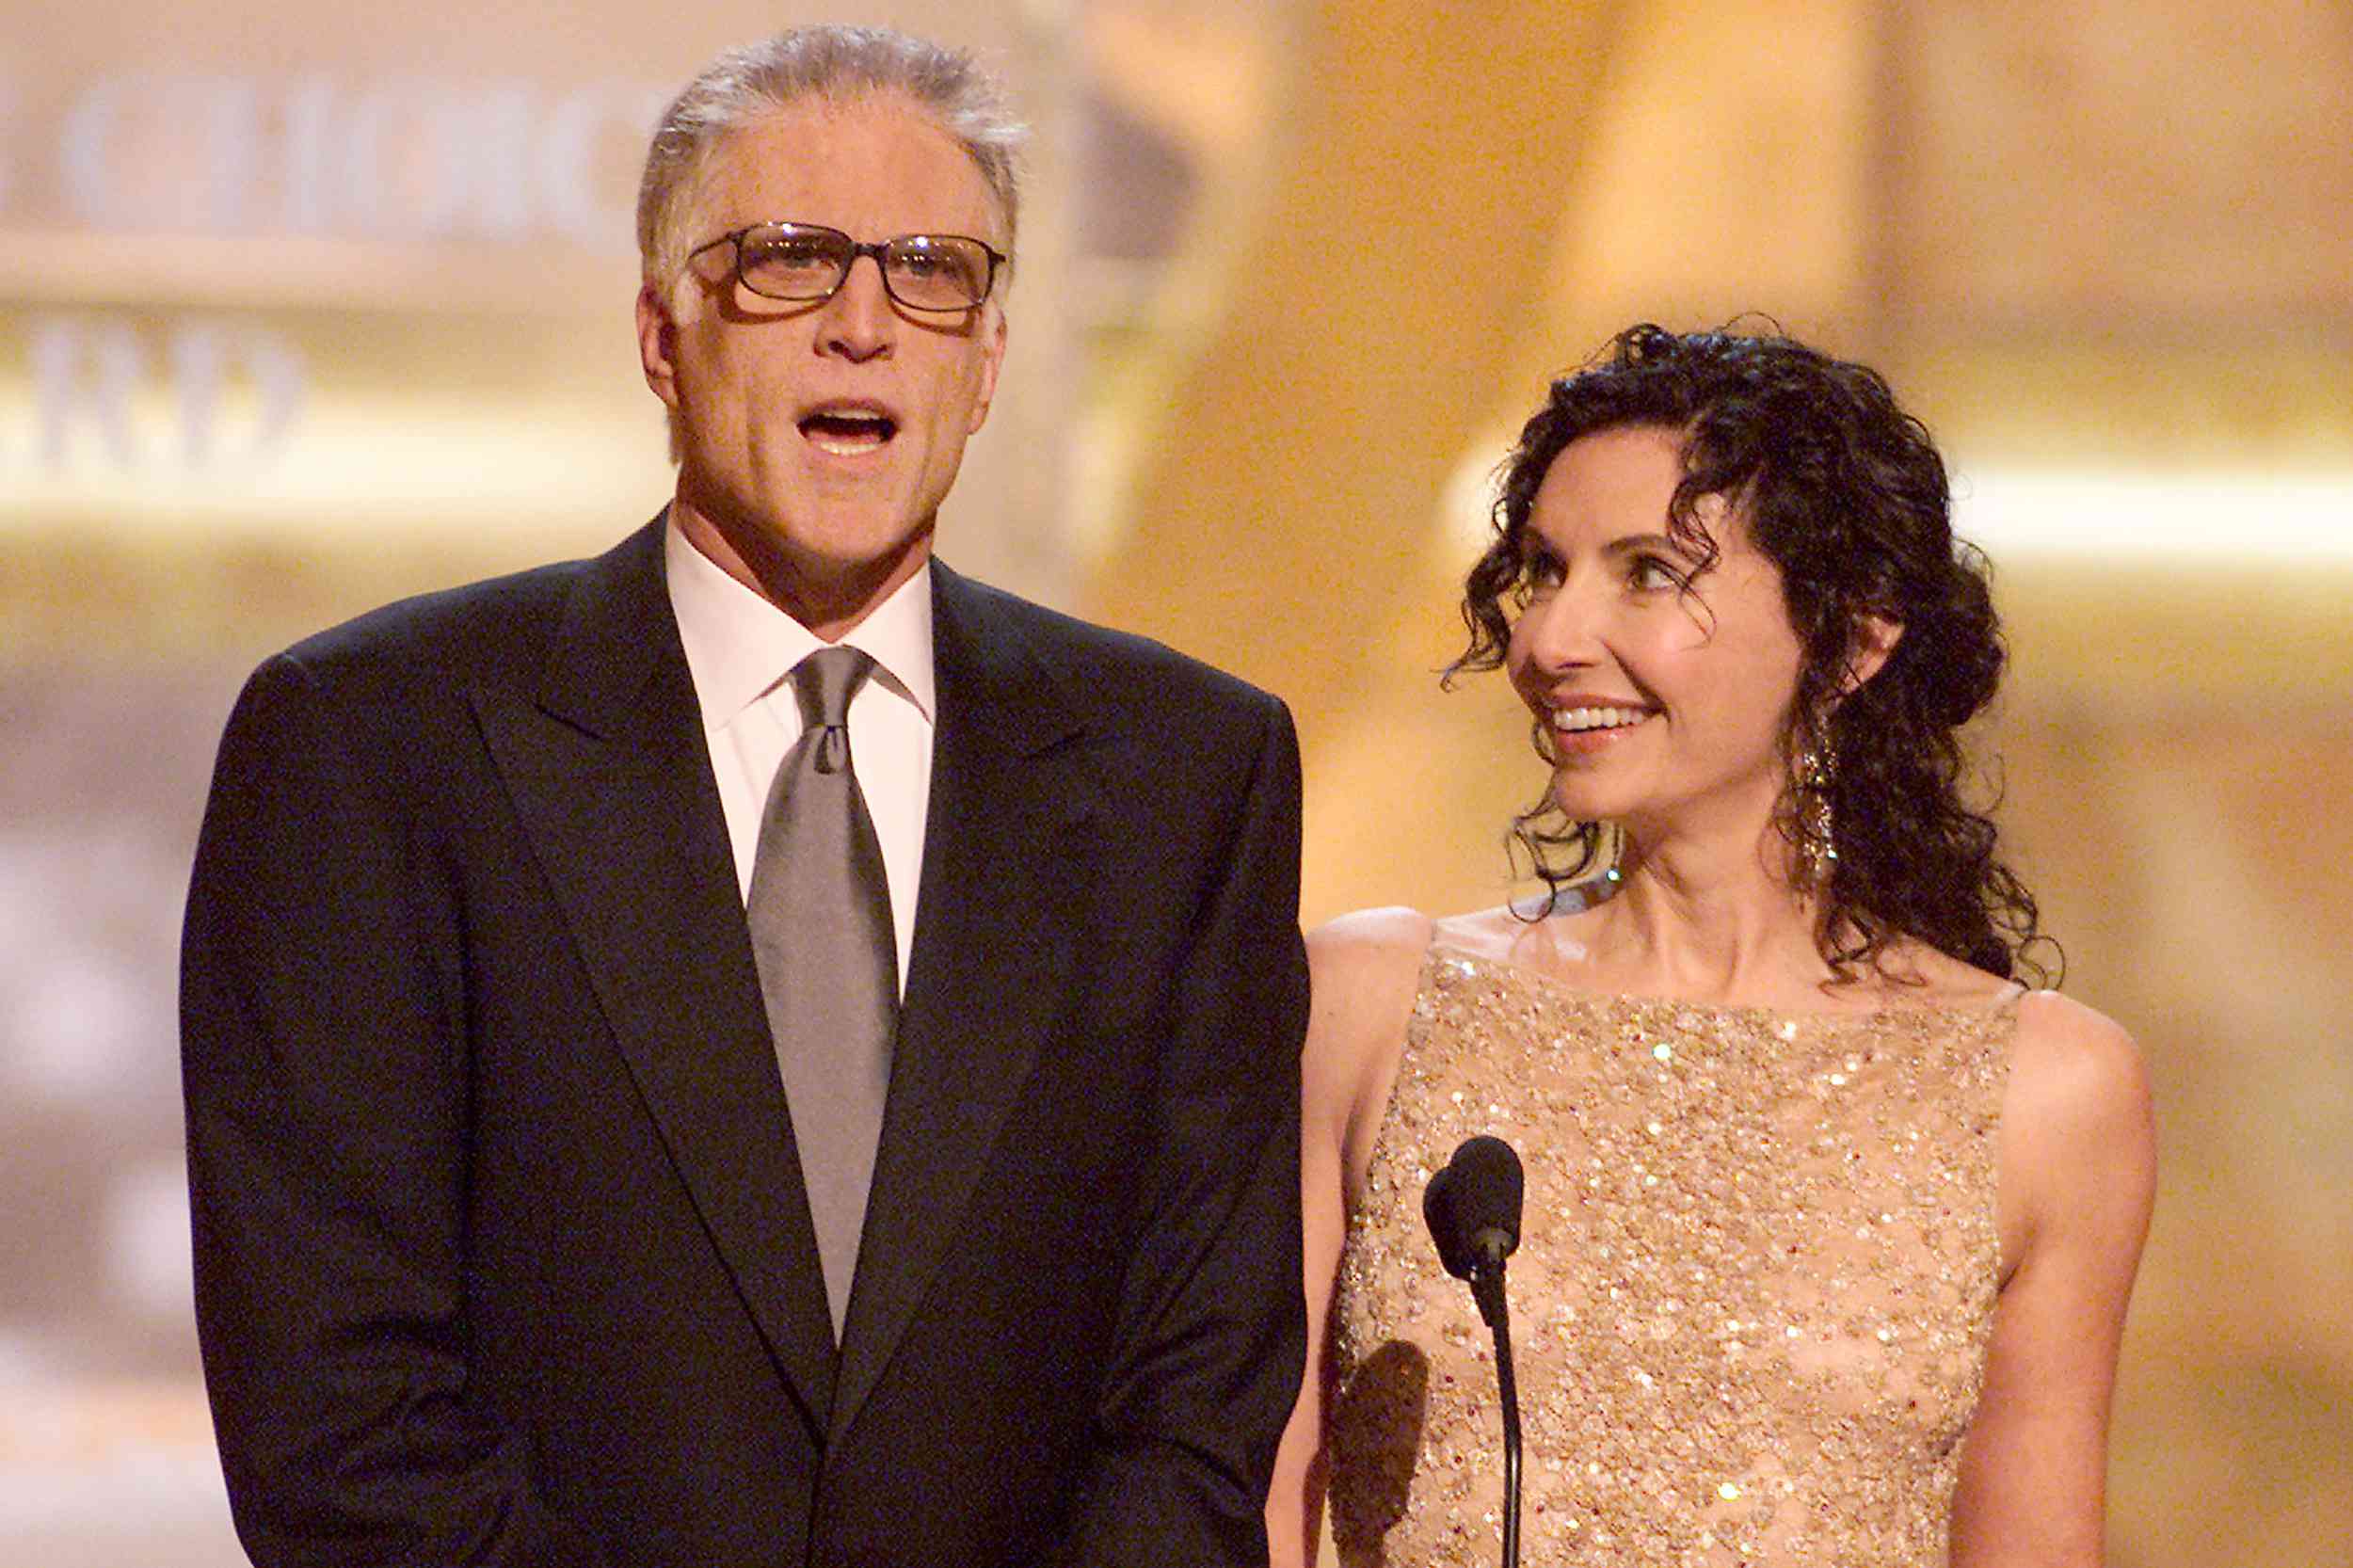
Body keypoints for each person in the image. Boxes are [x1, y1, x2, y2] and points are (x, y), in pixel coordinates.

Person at [181, 25, 1308, 1568]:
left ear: (987, 360)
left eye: (932, 270)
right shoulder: (372, 745)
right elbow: (337, 1417)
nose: (864, 323)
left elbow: (1196, 1404)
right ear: (661, 334)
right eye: (789, 261)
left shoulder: (1190, 775)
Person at [1268, 324, 2156, 1568]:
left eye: (1644, 572)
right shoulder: (1370, 1001)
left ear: (1848, 638)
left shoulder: (2046, 1092)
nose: (1549, 640)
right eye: (1543, 570)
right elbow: (1250, 1504)